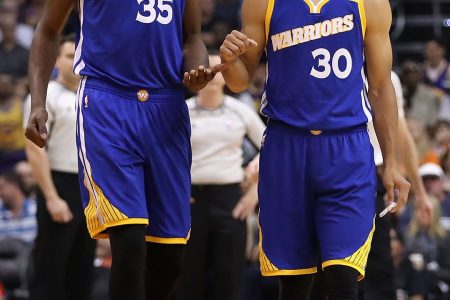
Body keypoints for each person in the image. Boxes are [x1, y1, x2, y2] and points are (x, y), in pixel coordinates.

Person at [25, 1, 221, 300]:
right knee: (128, 238)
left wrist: (197, 72)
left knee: (170, 255)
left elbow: (192, 38)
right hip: (108, 102)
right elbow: (48, 30)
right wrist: (38, 101)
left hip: (167, 107)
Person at [219, 0, 411, 299]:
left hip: (347, 148)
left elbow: (381, 87)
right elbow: (240, 80)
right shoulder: (262, 3)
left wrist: (391, 164)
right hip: (286, 146)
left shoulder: (370, 4)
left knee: (341, 277)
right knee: (294, 283)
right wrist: (230, 61)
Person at [179, 54, 265, 300]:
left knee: (230, 277)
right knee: (189, 276)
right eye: (208, 67)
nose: (213, 73)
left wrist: (253, 193)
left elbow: (271, 146)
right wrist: (173, 194)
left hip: (230, 200)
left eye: (219, 69)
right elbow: (161, 154)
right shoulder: (182, 110)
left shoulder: (239, 110)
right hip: (190, 200)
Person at [24, 34, 96, 300]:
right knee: (51, 266)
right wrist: (52, 198)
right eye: (69, 56)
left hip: (90, 188)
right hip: (59, 184)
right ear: (58, 60)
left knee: (84, 267)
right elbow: (34, 150)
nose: (76, 61)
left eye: (80, 56)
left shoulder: (94, 93)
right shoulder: (45, 96)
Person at [0, 171, 37, 244]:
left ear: (14, 186)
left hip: (31, 254)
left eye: (1, 187)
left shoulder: (36, 210)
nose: (0, 193)